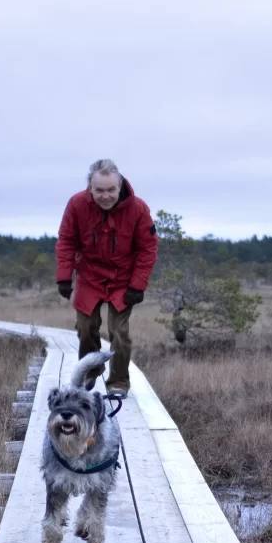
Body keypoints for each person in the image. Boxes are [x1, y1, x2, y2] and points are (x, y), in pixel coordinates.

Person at [55, 159, 159, 398]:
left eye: (111, 190)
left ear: (119, 186)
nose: (105, 196)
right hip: (89, 276)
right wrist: (64, 277)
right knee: (86, 327)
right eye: (99, 190)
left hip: (123, 278)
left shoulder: (138, 209)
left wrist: (137, 285)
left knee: (119, 331)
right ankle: (90, 370)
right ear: (90, 188)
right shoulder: (76, 205)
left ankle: (118, 381)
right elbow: (66, 241)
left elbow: (148, 248)